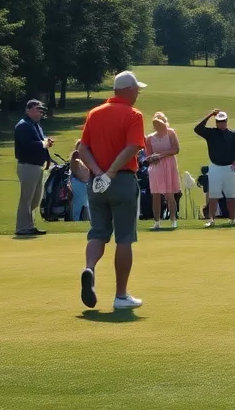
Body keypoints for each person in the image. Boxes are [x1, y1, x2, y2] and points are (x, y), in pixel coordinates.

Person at [76, 70, 148, 310]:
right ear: (127, 90)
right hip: (121, 180)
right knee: (124, 237)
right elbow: (132, 148)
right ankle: (120, 295)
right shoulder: (133, 115)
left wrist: (97, 172)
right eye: (136, 89)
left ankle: (89, 268)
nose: (138, 93)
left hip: (97, 183)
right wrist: (111, 172)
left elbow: (82, 148)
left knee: (98, 231)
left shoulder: (94, 114)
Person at [194, 109, 235, 226]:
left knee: (231, 195)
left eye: (223, 121)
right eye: (218, 121)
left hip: (229, 168)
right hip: (215, 167)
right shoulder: (211, 133)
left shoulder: (233, 134)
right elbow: (197, 129)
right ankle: (211, 220)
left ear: (227, 121)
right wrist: (210, 115)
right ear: (216, 122)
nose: (221, 123)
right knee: (213, 195)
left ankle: (232, 219)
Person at [14, 99, 52, 236]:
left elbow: (42, 143)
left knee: (35, 199)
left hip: (37, 165)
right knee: (27, 198)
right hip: (27, 165)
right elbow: (29, 145)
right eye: (37, 109)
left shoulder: (36, 125)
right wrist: (44, 143)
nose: (40, 112)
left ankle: (29, 225)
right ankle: (22, 227)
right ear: (28, 110)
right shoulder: (23, 126)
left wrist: (47, 158)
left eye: (41, 110)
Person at [145, 113, 181, 230]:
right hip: (156, 166)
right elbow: (148, 154)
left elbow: (176, 149)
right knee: (156, 194)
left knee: (169, 194)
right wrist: (152, 158)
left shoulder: (170, 133)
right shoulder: (150, 137)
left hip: (169, 165)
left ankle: (173, 220)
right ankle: (157, 222)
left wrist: (160, 155)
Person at [68, 139, 91, 223]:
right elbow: (75, 170)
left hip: (85, 183)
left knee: (86, 203)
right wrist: (83, 179)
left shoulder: (86, 156)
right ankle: (75, 219)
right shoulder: (76, 155)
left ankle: (86, 219)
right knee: (78, 203)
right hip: (78, 182)